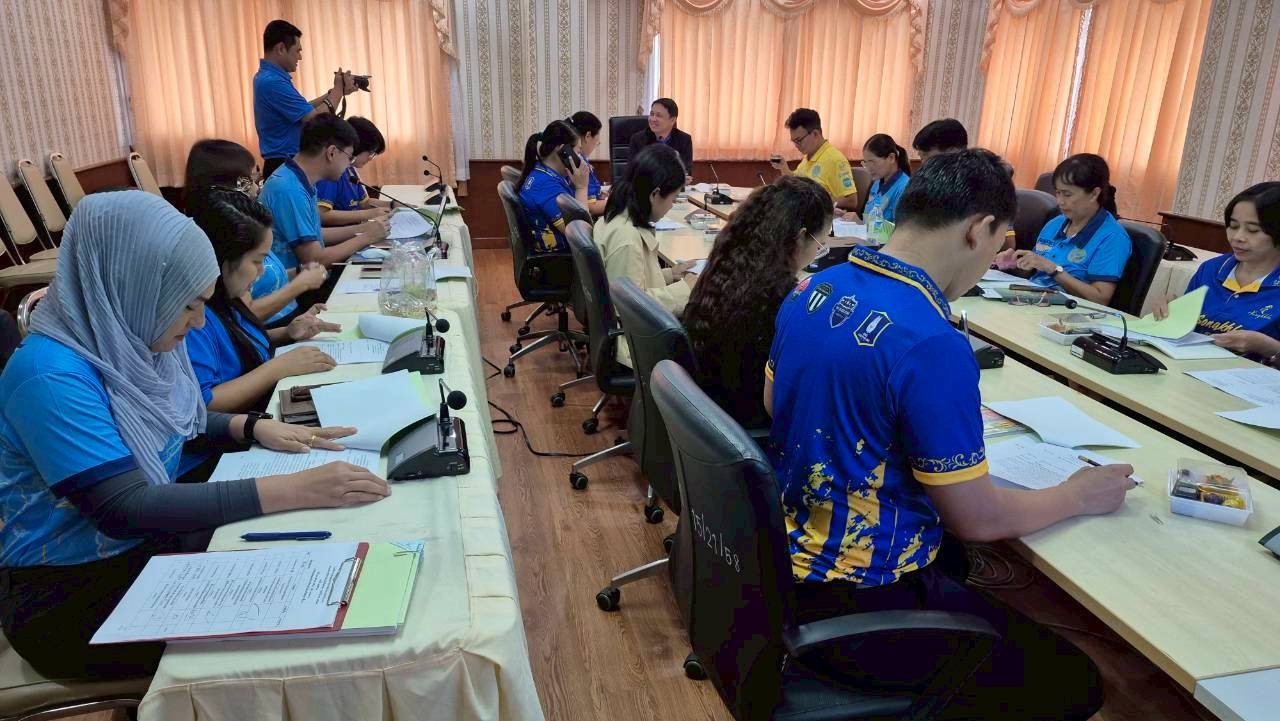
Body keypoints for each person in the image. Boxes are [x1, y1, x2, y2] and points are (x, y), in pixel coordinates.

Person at [765, 149, 1134, 720]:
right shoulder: (931, 340)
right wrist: (1077, 495)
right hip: (862, 598)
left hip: (784, 561)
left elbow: (774, 402)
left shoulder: (816, 287)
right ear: (978, 230)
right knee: (1076, 682)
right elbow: (978, 520)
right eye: (997, 241)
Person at [0, 191, 390, 679]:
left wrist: (251, 426)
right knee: (300, 634)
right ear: (135, 286)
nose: (200, 321)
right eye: (188, 305)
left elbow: (179, 417)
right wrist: (297, 488)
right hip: (69, 597)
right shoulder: (49, 375)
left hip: (143, 550)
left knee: (319, 552)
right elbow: (125, 507)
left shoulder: (128, 339)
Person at [683, 176, 830, 428]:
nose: (819, 251)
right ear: (800, 237)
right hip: (745, 419)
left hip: (708, 406)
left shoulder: (728, 261)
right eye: (821, 244)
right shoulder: (781, 300)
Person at [183, 139, 327, 325]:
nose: (256, 188)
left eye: (255, 179)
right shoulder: (227, 233)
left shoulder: (250, 222)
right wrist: (301, 284)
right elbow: (241, 314)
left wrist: (299, 272)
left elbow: (265, 278)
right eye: (247, 181)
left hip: (286, 326)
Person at [1151, 182, 1280, 363]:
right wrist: (1172, 310)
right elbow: (1183, 329)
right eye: (1233, 226)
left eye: (1253, 230)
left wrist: (1268, 347)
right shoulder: (1211, 269)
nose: (1237, 237)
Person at [595, 145, 693, 365]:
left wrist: (671, 274)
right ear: (655, 195)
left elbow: (629, 283)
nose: (671, 206)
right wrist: (686, 289)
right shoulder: (626, 238)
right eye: (673, 198)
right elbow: (632, 306)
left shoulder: (617, 217)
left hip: (632, 334)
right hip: (634, 346)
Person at [993, 153, 1131, 306]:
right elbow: (1034, 271)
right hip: (1032, 300)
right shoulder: (1055, 224)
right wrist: (1013, 264)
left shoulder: (1113, 237)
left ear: (1094, 194)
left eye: (1067, 194)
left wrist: (1053, 269)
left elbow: (1100, 298)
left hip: (1068, 311)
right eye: (1058, 193)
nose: (1060, 201)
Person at [258, 114, 388, 272]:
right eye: (349, 158)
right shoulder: (290, 190)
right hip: (293, 283)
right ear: (332, 152)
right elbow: (315, 259)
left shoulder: (299, 178)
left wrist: (363, 229)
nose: (349, 165)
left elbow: (315, 234)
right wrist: (366, 237)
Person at [253, 19, 358, 179]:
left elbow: (304, 110)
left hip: (284, 162)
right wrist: (337, 91)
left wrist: (336, 92)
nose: (300, 57)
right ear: (281, 49)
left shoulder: (269, 77)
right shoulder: (272, 81)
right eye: (297, 51)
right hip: (283, 163)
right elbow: (315, 121)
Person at [517, 120, 592, 253]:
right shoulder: (545, 186)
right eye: (578, 151)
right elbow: (582, 237)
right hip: (561, 258)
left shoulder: (542, 172)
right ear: (564, 150)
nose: (581, 158)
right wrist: (582, 187)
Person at [770, 109, 858, 214]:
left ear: (815, 134)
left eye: (799, 140)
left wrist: (815, 202)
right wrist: (784, 168)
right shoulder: (809, 156)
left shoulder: (834, 160)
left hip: (820, 218)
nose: (796, 146)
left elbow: (851, 200)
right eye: (794, 142)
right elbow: (797, 181)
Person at [316, 116, 393, 226]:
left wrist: (392, 205)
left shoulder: (351, 169)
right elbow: (322, 216)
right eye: (371, 153)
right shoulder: (332, 173)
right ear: (357, 147)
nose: (370, 159)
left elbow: (362, 203)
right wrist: (367, 214)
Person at [628, 98, 694, 183]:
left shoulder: (684, 140)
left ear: (672, 120)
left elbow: (686, 172)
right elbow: (633, 173)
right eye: (652, 114)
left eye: (659, 115)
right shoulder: (638, 139)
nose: (653, 119)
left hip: (674, 190)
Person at [859, 133, 911, 223]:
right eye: (866, 163)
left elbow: (900, 229)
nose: (868, 169)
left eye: (872, 163)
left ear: (891, 158)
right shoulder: (877, 182)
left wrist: (861, 224)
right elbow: (868, 218)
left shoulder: (904, 188)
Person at [566, 111, 608, 215]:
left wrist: (599, 193)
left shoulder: (580, 158)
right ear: (588, 136)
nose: (596, 144)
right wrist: (620, 203)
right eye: (597, 142)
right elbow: (591, 207)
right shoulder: (579, 163)